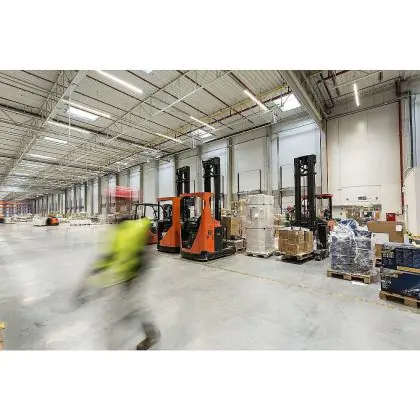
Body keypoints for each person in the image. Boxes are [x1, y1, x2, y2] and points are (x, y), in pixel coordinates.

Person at [75, 216, 160, 350]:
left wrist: (93, 273)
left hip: (130, 274)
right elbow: (113, 256)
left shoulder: (123, 233)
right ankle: (144, 329)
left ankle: (151, 334)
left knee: (132, 306)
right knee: (128, 305)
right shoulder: (133, 228)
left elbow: (109, 257)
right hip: (128, 274)